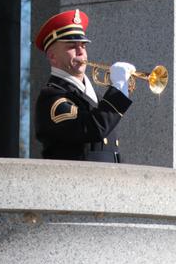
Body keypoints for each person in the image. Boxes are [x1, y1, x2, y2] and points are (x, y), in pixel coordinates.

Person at [34, 9, 135, 163]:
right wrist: (118, 90)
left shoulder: (95, 98)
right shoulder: (52, 98)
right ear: (52, 56)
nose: (81, 52)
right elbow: (93, 128)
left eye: (83, 45)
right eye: (72, 46)